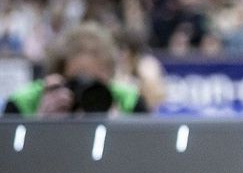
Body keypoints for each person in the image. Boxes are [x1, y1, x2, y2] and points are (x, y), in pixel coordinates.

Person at [4, 22, 148, 117]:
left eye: (95, 84)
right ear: (58, 76)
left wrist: (118, 128)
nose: (87, 93)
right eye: (78, 82)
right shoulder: (22, 104)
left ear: (109, 77)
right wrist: (40, 124)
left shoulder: (130, 102)